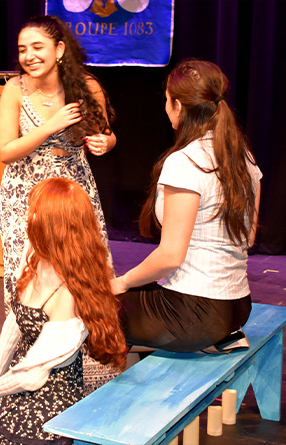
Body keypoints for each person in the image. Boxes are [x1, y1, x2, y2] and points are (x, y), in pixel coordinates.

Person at [0, 177, 127, 445]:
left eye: (33, 211)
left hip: (48, 395)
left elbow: (34, 375)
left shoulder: (70, 292)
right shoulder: (37, 258)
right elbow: (14, 324)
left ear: (53, 224)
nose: (26, 216)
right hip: (15, 380)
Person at [112, 59, 262, 352]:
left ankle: (118, 394)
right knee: (138, 296)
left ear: (178, 105)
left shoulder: (186, 162)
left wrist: (121, 282)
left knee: (94, 310)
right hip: (237, 307)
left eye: (167, 99)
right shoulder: (244, 157)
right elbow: (249, 237)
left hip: (195, 313)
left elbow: (169, 257)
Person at [0, 15, 117, 315]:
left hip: (73, 192)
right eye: (23, 49)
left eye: (38, 47)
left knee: (80, 269)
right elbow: (6, 151)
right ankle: (28, 349)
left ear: (59, 50)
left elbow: (107, 133)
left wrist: (106, 143)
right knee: (28, 278)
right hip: (24, 195)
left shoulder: (86, 86)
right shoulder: (15, 89)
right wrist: (51, 126)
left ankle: (86, 348)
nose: (29, 56)